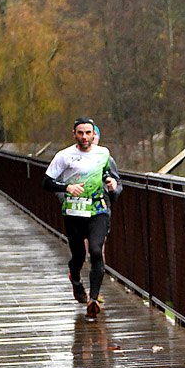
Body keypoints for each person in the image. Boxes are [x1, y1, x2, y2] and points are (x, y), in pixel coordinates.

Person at [43, 117, 122, 319]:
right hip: (74, 212)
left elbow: (107, 174)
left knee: (96, 251)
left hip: (98, 210)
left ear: (94, 134)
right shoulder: (64, 156)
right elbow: (47, 182)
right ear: (74, 134)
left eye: (88, 133)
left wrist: (111, 184)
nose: (85, 137)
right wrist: (67, 188)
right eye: (81, 133)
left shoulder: (103, 153)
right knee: (78, 255)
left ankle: (93, 300)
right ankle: (76, 280)